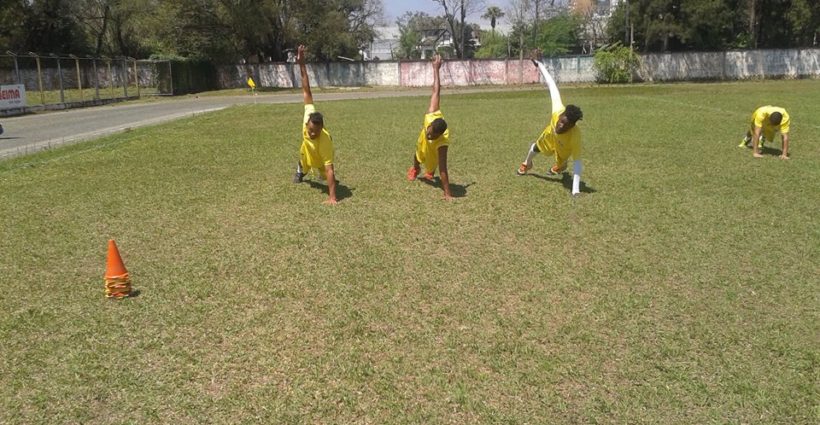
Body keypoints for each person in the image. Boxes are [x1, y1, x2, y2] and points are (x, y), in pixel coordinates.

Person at [516, 56, 584, 196]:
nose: (560, 125)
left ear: (572, 127)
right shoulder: (558, 109)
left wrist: (575, 189)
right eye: (561, 121)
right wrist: (539, 64)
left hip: (565, 147)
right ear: (561, 115)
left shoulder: (575, 136)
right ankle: (526, 164)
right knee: (535, 147)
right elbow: (551, 84)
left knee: (561, 162)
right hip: (550, 135)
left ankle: (559, 167)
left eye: (565, 126)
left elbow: (577, 163)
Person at [292, 45, 338, 205]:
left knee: (326, 174)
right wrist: (302, 64)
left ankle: (321, 175)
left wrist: (332, 197)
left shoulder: (324, 140)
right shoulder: (308, 113)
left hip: (320, 157)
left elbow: (330, 168)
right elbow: (306, 89)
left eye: (316, 132)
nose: (312, 134)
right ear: (308, 123)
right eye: (310, 130)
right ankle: (300, 170)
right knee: (304, 168)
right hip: (306, 151)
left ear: (322, 129)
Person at [406, 54, 452, 200]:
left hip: (434, 150)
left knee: (433, 166)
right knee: (417, 155)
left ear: (439, 136)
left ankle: (430, 172)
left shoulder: (442, 143)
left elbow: (444, 168)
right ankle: (415, 168)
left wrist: (447, 193)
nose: (429, 135)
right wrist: (436, 69)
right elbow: (436, 90)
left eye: (432, 135)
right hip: (423, 145)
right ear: (430, 125)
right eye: (429, 131)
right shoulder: (432, 113)